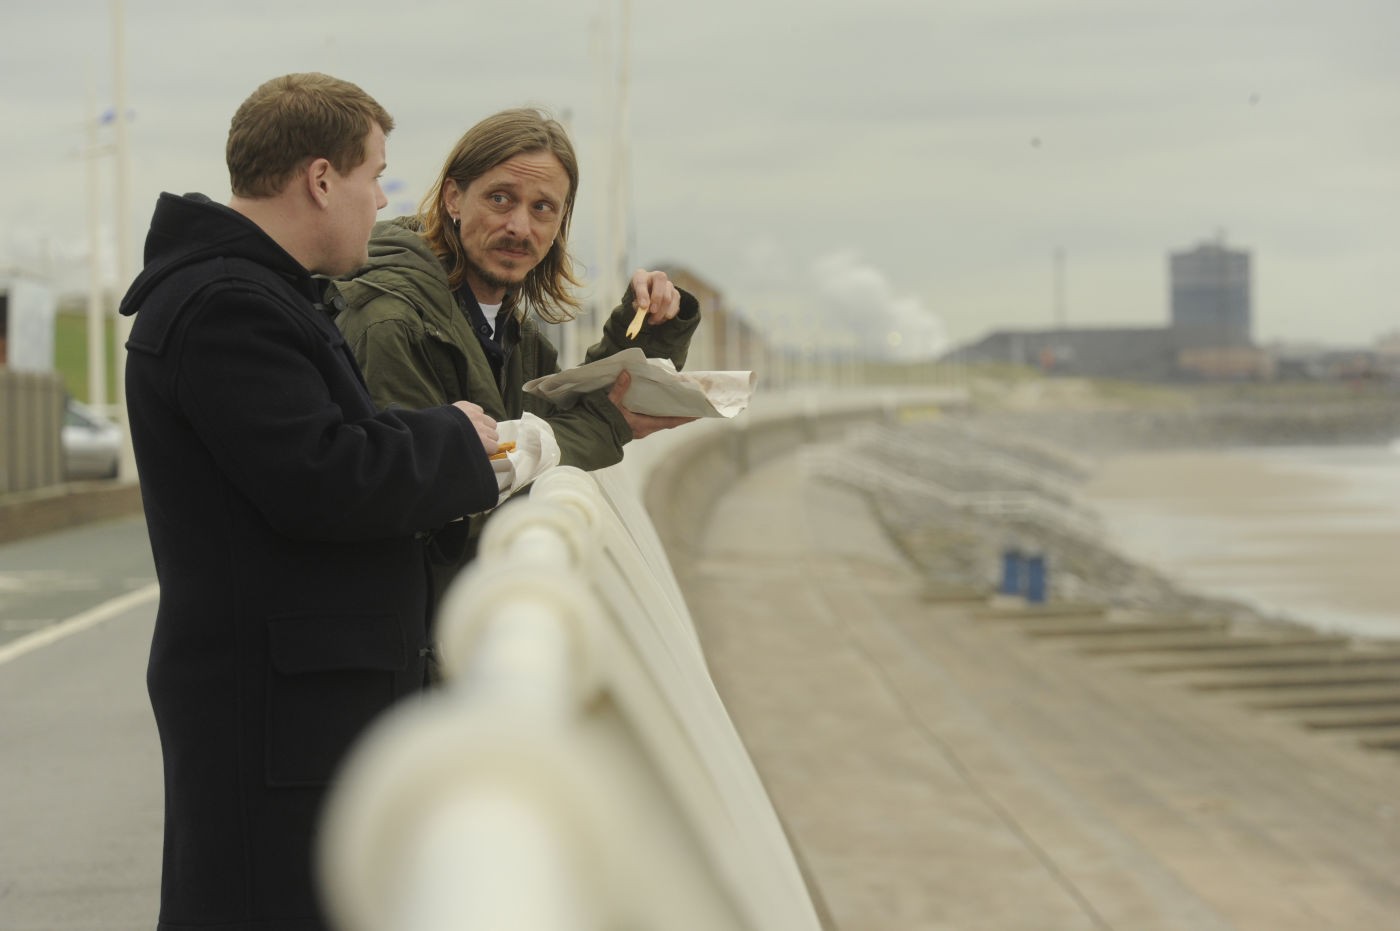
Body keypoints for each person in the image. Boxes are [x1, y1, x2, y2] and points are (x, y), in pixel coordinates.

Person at [118, 73, 503, 930]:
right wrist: (462, 441)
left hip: (295, 706)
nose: (380, 200)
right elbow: (324, 477)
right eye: (376, 176)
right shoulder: (228, 306)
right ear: (321, 179)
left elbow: (319, 457)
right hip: (275, 717)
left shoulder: (256, 295)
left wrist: (445, 434)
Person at [330, 107, 702, 601]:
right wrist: (610, 424)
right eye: (501, 199)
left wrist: (648, 334)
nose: (520, 226)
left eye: (543, 208)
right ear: (454, 198)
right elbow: (434, 504)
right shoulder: (391, 324)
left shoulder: (514, 335)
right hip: (413, 644)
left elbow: (546, 428)